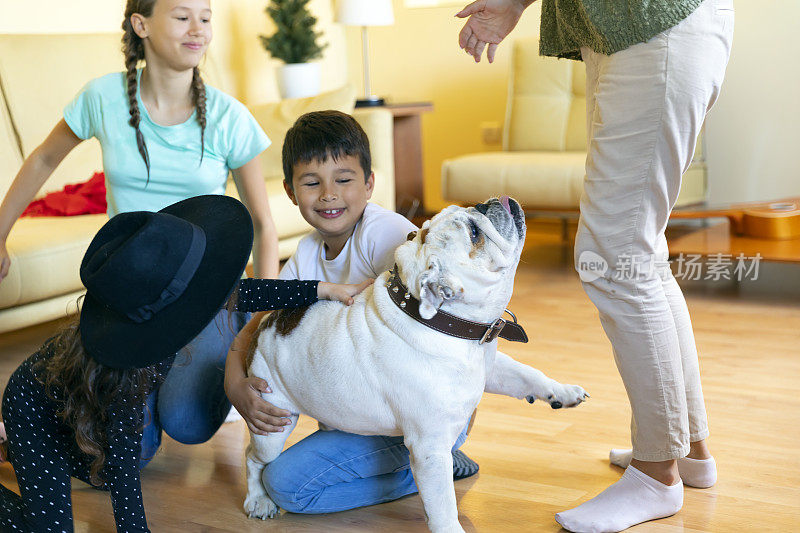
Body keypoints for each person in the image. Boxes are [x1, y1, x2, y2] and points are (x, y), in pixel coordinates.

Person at [456, 0, 733, 531]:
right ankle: (687, 449)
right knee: (638, 255)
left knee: (616, 259)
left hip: (655, 29)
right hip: (634, 32)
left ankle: (657, 475)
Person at [0, 0, 280, 462]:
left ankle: (195, 367)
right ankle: (48, 414)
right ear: (141, 23)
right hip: (129, 296)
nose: (199, 29)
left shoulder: (230, 118)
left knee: (188, 422)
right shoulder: (102, 98)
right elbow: (46, 158)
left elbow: (264, 228)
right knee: (126, 453)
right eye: (183, 15)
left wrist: (256, 326)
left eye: (206, 18)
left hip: (204, 293)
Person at [0, 195, 370, 532]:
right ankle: (17, 444)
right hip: (32, 410)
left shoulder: (167, 298)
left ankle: (11, 450)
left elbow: (245, 292)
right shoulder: (124, 376)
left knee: (98, 473)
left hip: (80, 408)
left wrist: (320, 289)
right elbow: (124, 472)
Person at [224, 110, 481, 514]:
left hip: (424, 408)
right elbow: (258, 317)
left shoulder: (390, 236)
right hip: (360, 417)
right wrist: (233, 382)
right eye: (312, 183)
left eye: (343, 180)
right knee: (284, 485)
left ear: (369, 183)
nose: (329, 194)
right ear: (291, 192)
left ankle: (435, 459)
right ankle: (430, 467)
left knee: (288, 491)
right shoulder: (306, 257)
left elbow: (453, 314)